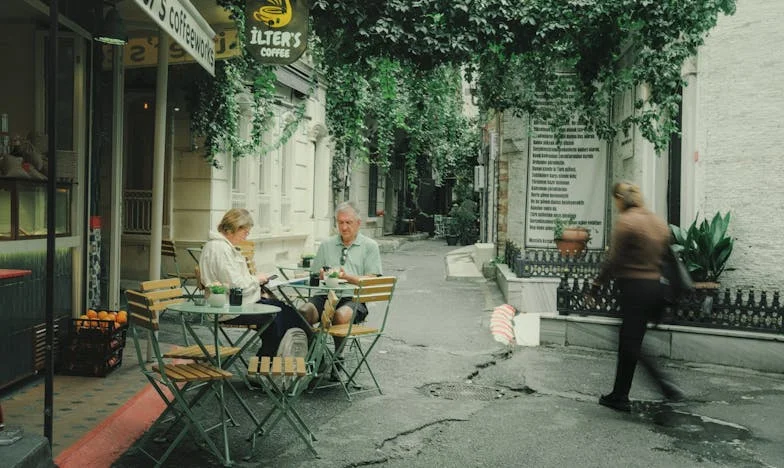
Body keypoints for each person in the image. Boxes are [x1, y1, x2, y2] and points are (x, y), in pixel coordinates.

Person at [588, 181, 684, 412]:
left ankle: (661, 389)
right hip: (655, 288)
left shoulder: (627, 222)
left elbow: (614, 260)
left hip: (634, 290)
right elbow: (667, 259)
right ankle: (621, 394)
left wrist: (596, 286)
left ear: (620, 199)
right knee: (631, 343)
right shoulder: (657, 222)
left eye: (615, 200)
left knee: (630, 345)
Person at [199, 208, 309, 357]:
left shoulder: (220, 247)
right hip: (231, 309)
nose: (246, 237)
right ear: (234, 228)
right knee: (279, 317)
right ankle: (267, 364)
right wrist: (257, 280)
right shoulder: (220, 249)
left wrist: (256, 282)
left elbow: (233, 281)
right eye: (245, 232)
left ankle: (268, 362)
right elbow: (236, 286)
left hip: (235, 304)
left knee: (286, 313)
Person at [298, 201, 383, 348]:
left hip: (355, 299)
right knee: (304, 312)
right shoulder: (326, 245)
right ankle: (314, 352)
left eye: (348, 222)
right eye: (340, 222)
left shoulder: (370, 246)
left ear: (358, 223)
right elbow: (315, 275)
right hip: (325, 295)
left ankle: (338, 354)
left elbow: (372, 279)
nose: (344, 227)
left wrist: (347, 277)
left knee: (340, 315)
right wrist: (321, 275)